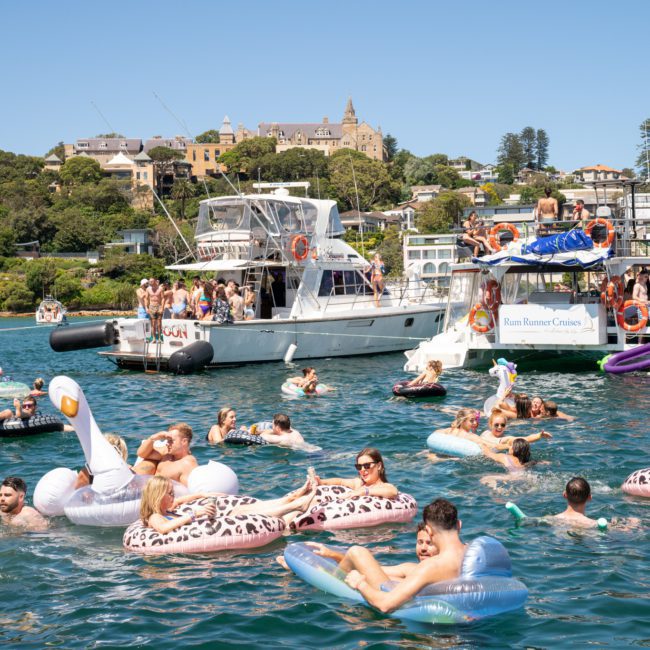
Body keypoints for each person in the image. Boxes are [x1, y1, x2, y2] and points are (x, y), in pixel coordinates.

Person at [339, 499, 466, 613]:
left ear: (428, 531)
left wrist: (360, 584)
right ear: (459, 525)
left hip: (409, 608)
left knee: (357, 552)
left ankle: (333, 579)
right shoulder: (474, 552)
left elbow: (385, 605)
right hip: (458, 616)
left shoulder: (431, 567)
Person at [140, 475, 317, 534]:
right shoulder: (155, 516)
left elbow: (180, 501)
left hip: (212, 523)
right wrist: (195, 513)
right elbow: (163, 529)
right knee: (240, 513)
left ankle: (292, 498)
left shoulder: (169, 508)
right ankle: (295, 504)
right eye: (169, 494)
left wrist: (202, 495)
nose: (173, 497)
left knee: (240, 509)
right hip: (210, 531)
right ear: (157, 497)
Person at [309, 448, 398, 501]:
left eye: (367, 465)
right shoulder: (359, 483)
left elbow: (393, 492)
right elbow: (340, 481)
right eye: (359, 467)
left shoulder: (384, 486)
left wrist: (364, 492)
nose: (362, 470)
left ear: (379, 466)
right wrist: (321, 481)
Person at [480, 411, 552, 450]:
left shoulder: (486, 433)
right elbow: (525, 439)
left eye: (502, 425)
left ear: (505, 426)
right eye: (496, 425)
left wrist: (539, 435)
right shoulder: (486, 433)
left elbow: (524, 439)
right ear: (490, 425)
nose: (499, 427)